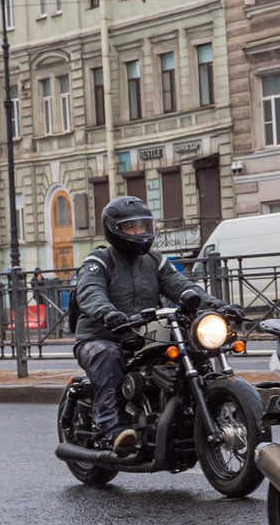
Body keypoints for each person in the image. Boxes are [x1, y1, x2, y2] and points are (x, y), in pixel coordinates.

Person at [71, 196, 222, 458]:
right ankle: (114, 429)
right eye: (131, 227)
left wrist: (216, 305)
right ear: (114, 230)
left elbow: (180, 284)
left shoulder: (154, 261)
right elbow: (90, 291)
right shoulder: (100, 260)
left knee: (191, 349)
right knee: (108, 355)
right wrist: (108, 314)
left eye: (143, 226)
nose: (139, 232)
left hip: (145, 335)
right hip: (101, 337)